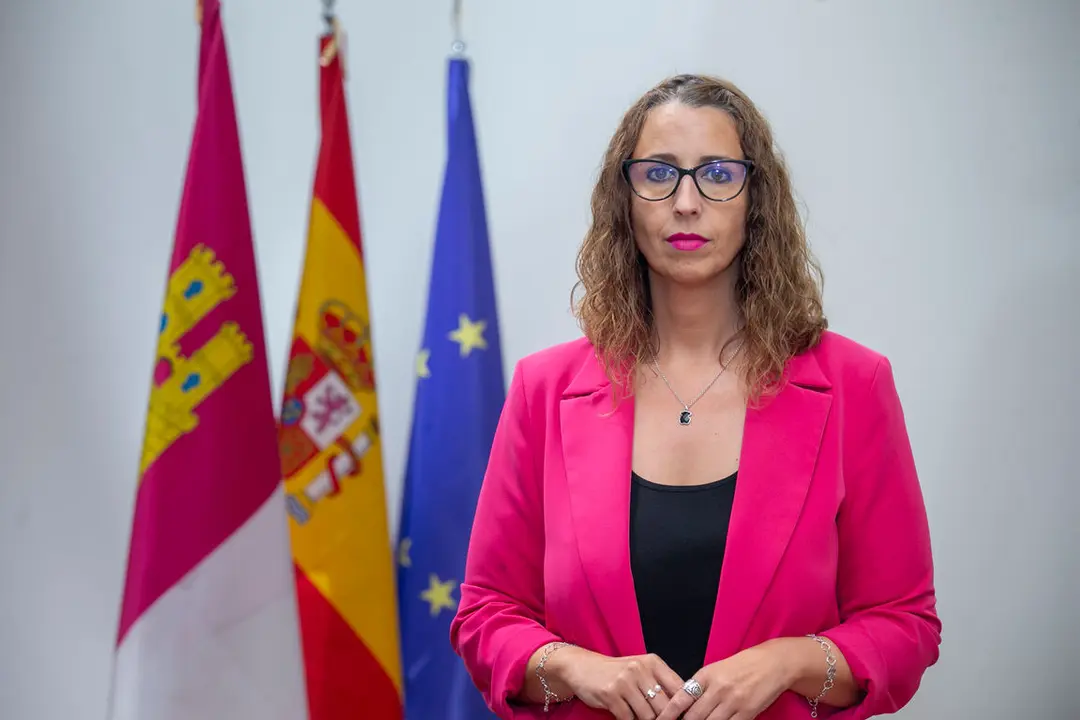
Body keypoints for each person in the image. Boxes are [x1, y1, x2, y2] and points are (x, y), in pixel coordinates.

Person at [449, 74, 941, 720]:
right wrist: (574, 668)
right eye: (658, 175)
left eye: (716, 174)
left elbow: (904, 625)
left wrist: (790, 660)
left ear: (754, 198)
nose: (686, 202)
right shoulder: (544, 390)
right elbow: (486, 615)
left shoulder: (853, 384)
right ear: (623, 199)